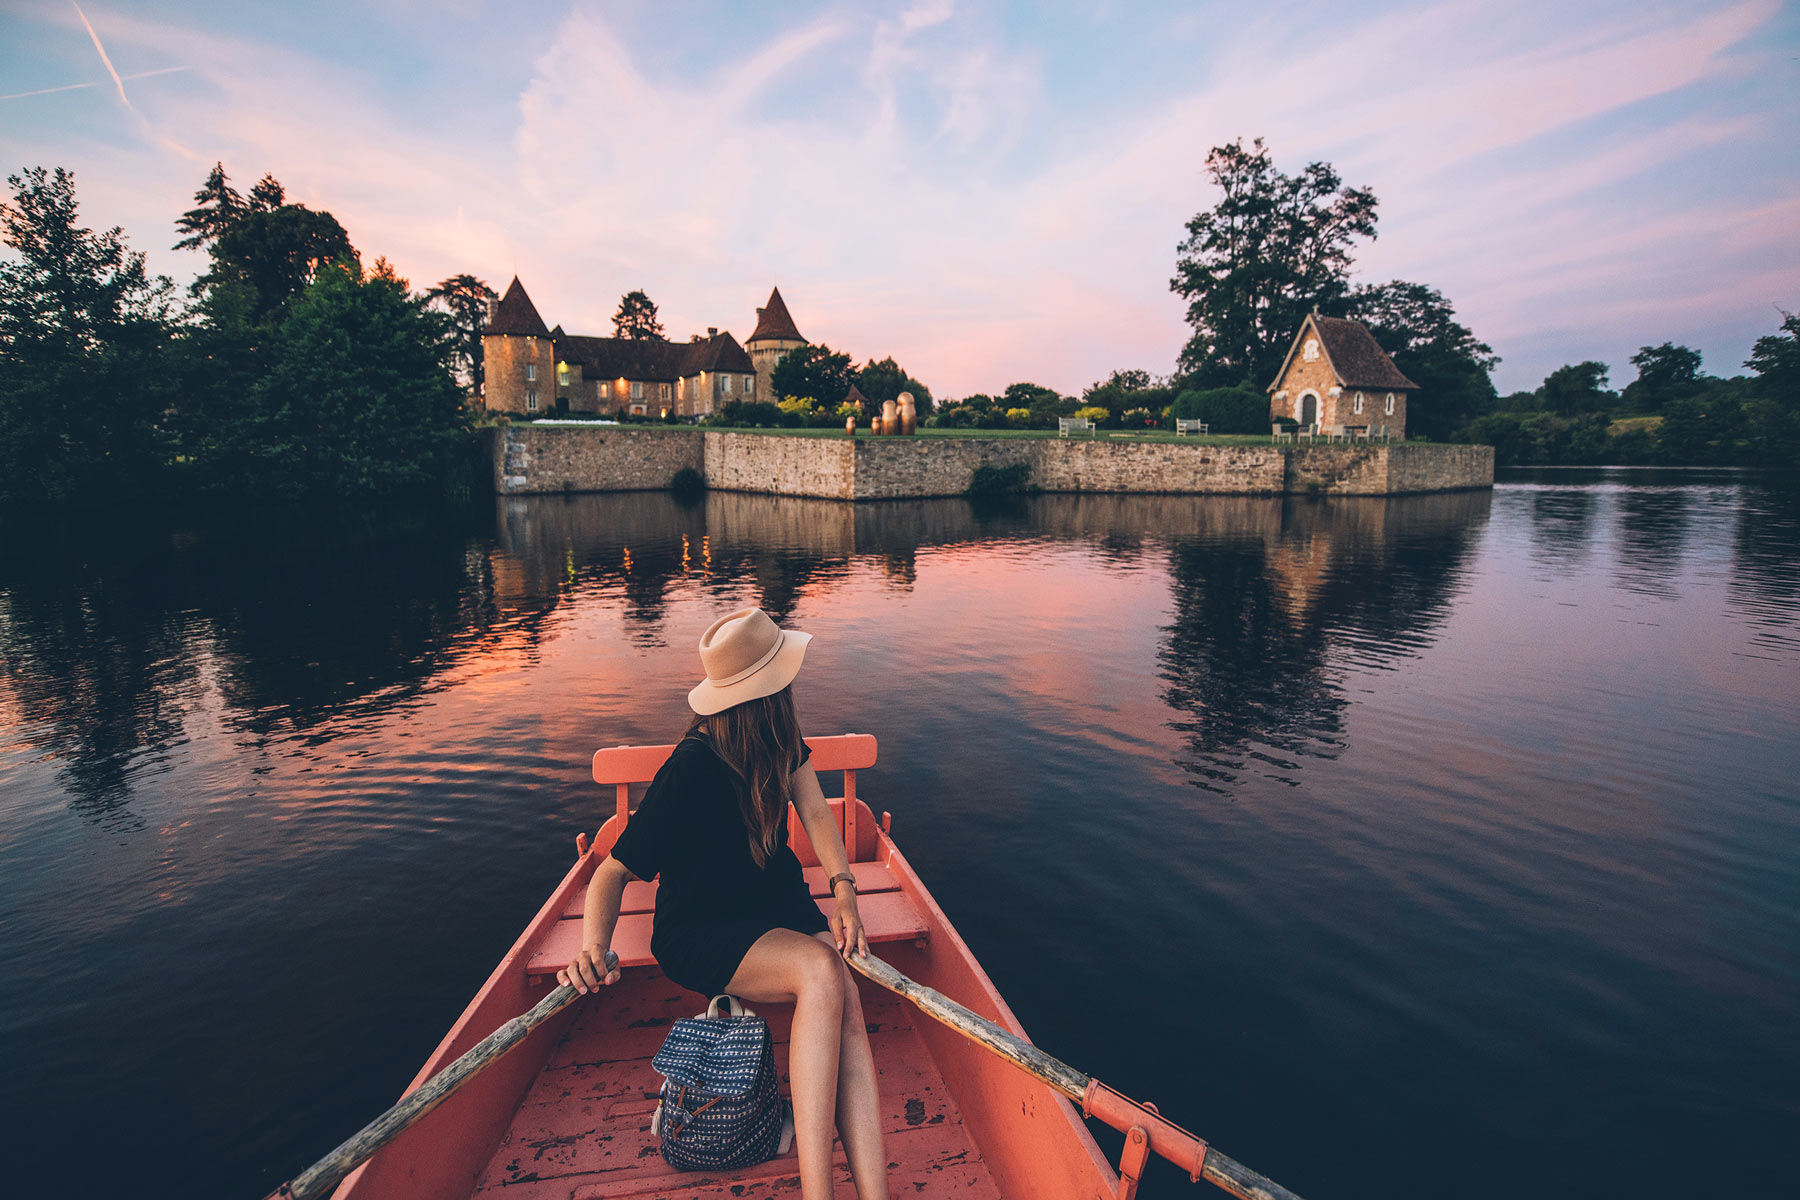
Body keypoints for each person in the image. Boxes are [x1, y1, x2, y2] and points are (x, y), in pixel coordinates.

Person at [557, 607, 890, 1200]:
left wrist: (844, 894)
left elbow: (815, 810)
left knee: (849, 998)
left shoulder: (775, 735)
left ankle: (875, 1195)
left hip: (772, 900)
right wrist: (592, 947)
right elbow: (611, 873)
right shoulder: (689, 771)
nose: (791, 689)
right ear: (766, 693)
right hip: (703, 926)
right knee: (820, 972)